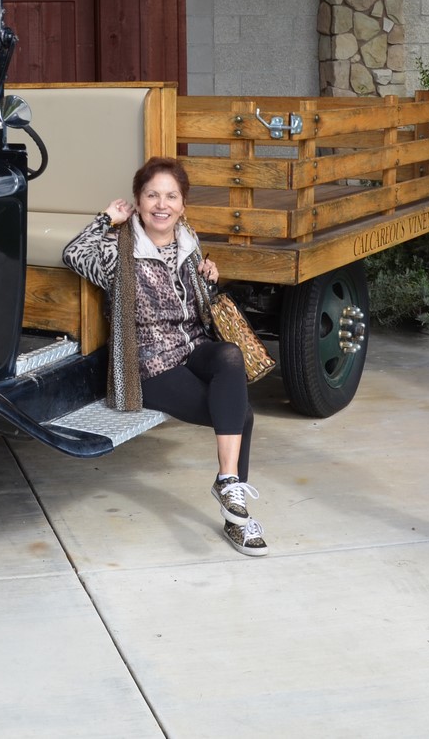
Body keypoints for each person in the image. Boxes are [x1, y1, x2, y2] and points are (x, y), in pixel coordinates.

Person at [63, 156, 266, 557]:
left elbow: (201, 307)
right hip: (151, 364)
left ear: (183, 204)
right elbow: (73, 253)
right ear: (137, 202)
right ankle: (237, 518)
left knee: (228, 354)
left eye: (171, 196)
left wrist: (208, 272)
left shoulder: (187, 242)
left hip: (193, 347)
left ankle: (228, 484)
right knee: (239, 415)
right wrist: (106, 218)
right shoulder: (117, 252)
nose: (162, 204)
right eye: (151, 195)